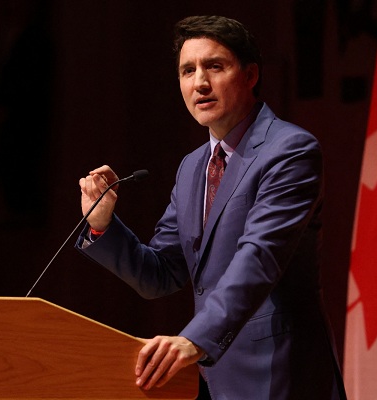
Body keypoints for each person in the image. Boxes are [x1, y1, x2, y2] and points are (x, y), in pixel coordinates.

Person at [75, 15, 346, 400]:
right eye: (188, 70)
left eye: (214, 66)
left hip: (281, 374)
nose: (199, 82)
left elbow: (260, 258)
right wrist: (102, 225)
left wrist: (194, 339)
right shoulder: (193, 167)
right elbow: (160, 274)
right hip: (212, 380)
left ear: (250, 75)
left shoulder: (290, 150)